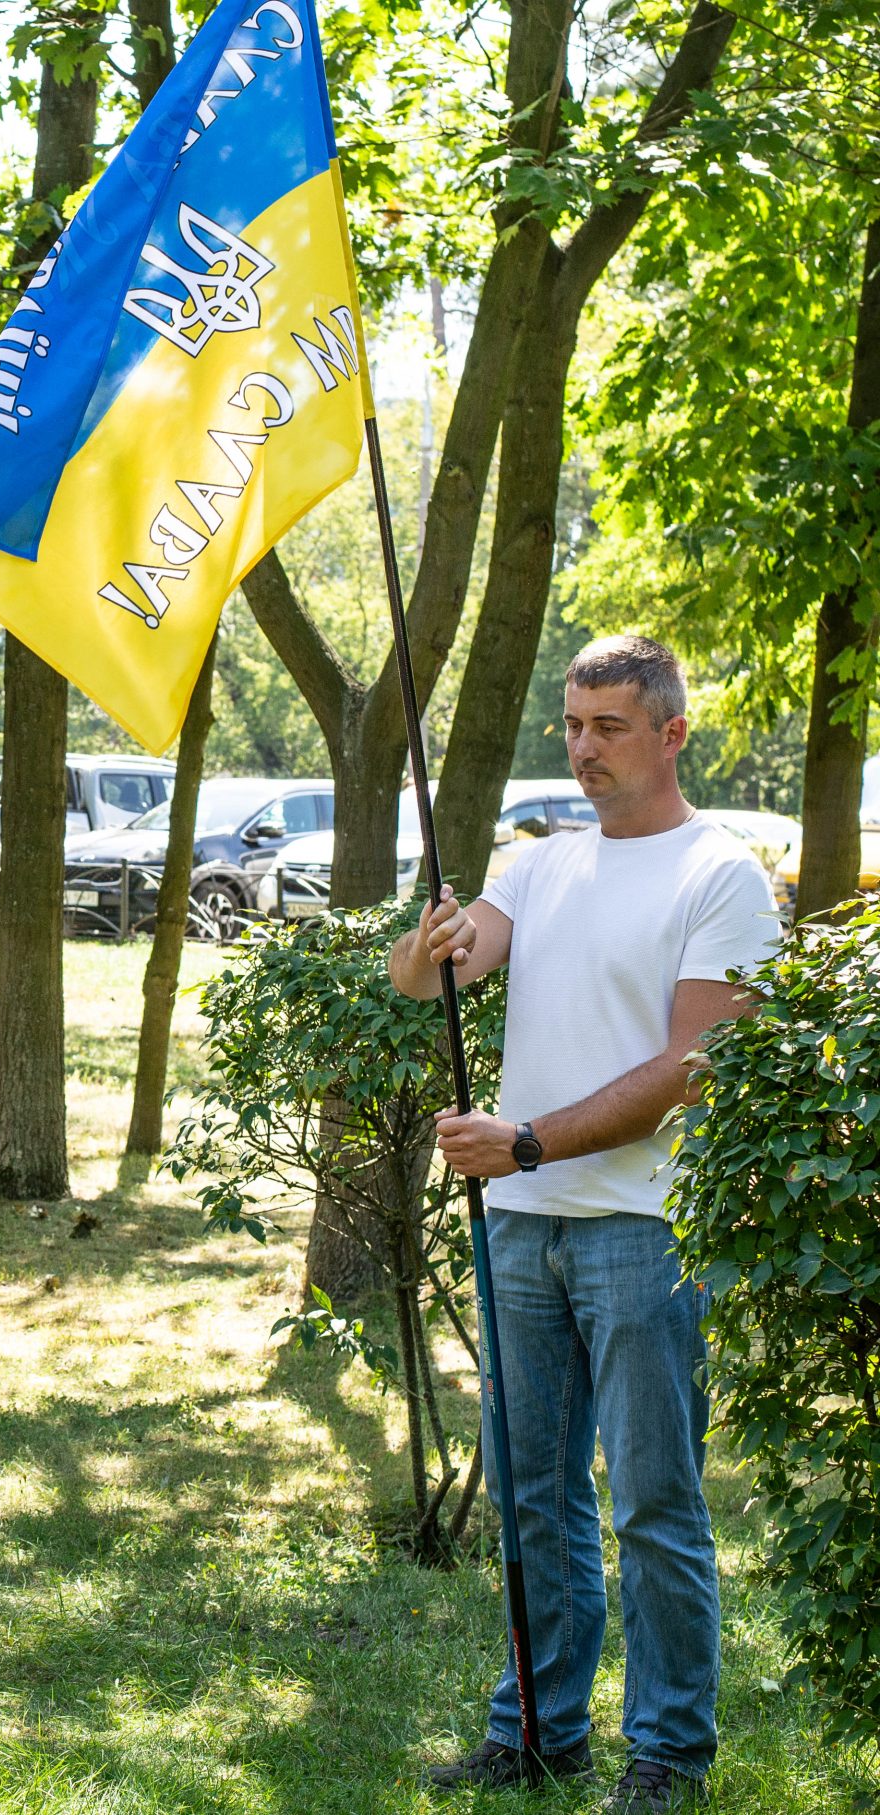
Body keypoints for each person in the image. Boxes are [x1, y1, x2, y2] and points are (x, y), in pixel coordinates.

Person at [388, 637, 778, 1813]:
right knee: (531, 1493)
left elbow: (691, 1066)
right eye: (571, 724)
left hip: (638, 1229)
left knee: (654, 1503)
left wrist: (530, 1142)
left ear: (670, 733)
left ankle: (665, 1755)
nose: (583, 748)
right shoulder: (538, 865)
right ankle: (538, 1730)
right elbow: (433, 985)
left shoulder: (722, 873)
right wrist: (428, 944)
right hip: (519, 1226)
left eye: (609, 727)